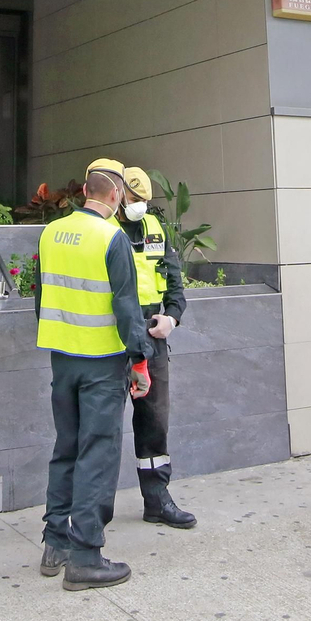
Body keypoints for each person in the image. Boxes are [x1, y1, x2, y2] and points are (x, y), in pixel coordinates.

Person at [33, 158, 155, 591]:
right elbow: (127, 308)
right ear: (115, 194)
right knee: (97, 453)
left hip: (62, 359)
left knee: (65, 447)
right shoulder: (112, 237)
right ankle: (85, 556)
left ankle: (55, 544)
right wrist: (140, 362)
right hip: (102, 363)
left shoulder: (50, 232)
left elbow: (41, 296)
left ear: (85, 191)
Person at [119, 167, 195, 529]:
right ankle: (90, 513)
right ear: (118, 195)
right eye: (133, 200)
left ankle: (157, 500)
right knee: (99, 427)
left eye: (144, 201)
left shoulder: (154, 229)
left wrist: (172, 319)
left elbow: (176, 286)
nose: (139, 207)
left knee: (154, 423)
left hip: (152, 337)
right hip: (113, 338)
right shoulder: (106, 230)